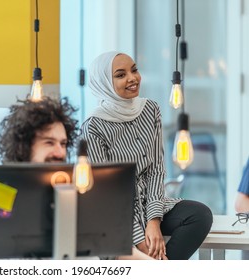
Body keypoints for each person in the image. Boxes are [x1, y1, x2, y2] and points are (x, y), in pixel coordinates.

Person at [81, 51, 213, 260]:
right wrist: (138, 237)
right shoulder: (93, 126)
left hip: (150, 203)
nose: (132, 78)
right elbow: (107, 193)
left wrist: (153, 221)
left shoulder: (150, 109)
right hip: (116, 214)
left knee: (199, 215)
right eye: (120, 74)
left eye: (134, 70)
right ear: (104, 82)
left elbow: (156, 169)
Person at [0, 96, 152, 260]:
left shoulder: (81, 188)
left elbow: (116, 251)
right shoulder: (4, 190)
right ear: (25, 145)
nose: (60, 152)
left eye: (63, 144)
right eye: (49, 143)